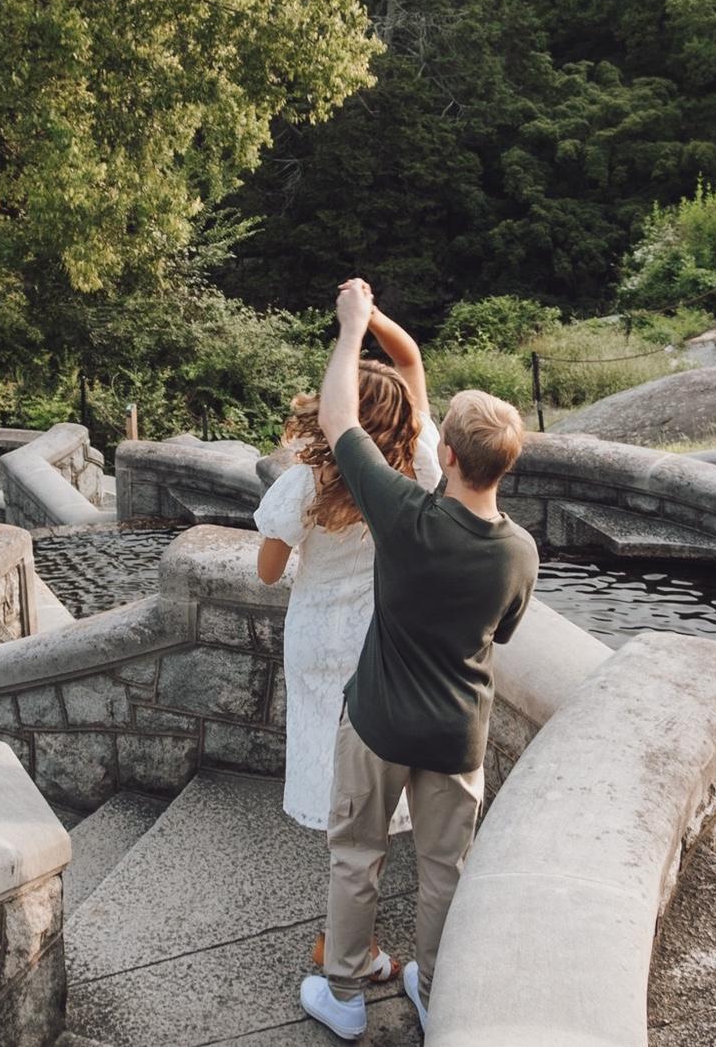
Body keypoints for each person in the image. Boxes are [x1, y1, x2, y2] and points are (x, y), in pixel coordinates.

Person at [299, 278, 539, 1042]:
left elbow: (338, 418)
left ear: (448, 452)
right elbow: (502, 634)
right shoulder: (520, 553)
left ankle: (344, 992)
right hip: (456, 735)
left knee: (355, 855)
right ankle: (435, 991)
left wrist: (352, 326)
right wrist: (371, 320)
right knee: (444, 871)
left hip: (377, 724)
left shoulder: (404, 515)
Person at [254, 307, 441, 983]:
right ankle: (350, 932)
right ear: (404, 417)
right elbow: (411, 361)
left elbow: (268, 572)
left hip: (317, 641)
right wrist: (369, 319)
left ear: (335, 413)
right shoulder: (419, 467)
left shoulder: (305, 479)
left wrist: (348, 329)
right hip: (382, 639)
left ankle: (342, 935)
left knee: (334, 772)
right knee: (376, 778)